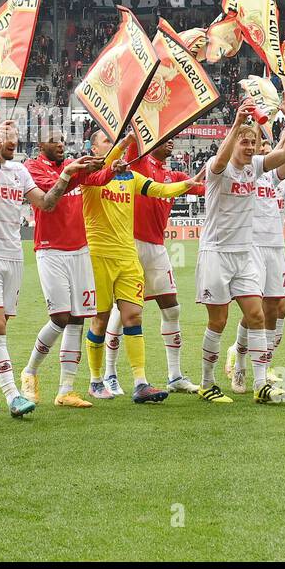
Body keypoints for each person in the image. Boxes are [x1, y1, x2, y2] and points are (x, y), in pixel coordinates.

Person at [0, 120, 102, 415]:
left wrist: (68, 173)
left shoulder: (20, 171)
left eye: (15, 136)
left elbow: (46, 203)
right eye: (6, 136)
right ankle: (13, 394)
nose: (13, 141)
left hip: (14, 255)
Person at [195, 95, 285, 404]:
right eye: (245, 142)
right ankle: (206, 382)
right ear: (234, 141)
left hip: (244, 255)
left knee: (256, 315)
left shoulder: (255, 167)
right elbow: (218, 161)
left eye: (253, 142)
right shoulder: (217, 168)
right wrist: (237, 125)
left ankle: (260, 385)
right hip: (216, 253)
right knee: (218, 321)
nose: (250, 147)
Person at [81, 129, 198, 404]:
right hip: (99, 256)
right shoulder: (88, 176)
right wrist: (125, 143)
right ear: (94, 149)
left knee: (133, 316)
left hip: (127, 257)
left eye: (113, 140)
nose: (112, 144)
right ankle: (97, 379)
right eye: (106, 141)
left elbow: (160, 189)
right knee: (100, 319)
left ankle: (140, 382)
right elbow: (106, 167)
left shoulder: (131, 178)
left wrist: (190, 183)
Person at [20, 130, 114, 409]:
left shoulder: (70, 164)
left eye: (62, 139)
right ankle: (30, 371)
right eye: (52, 139)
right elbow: (48, 201)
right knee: (60, 316)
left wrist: (112, 167)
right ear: (40, 144)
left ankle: (66, 390)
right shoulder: (32, 168)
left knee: (78, 319)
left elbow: (96, 179)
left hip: (80, 250)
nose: (60, 144)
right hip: (50, 249)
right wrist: (70, 172)